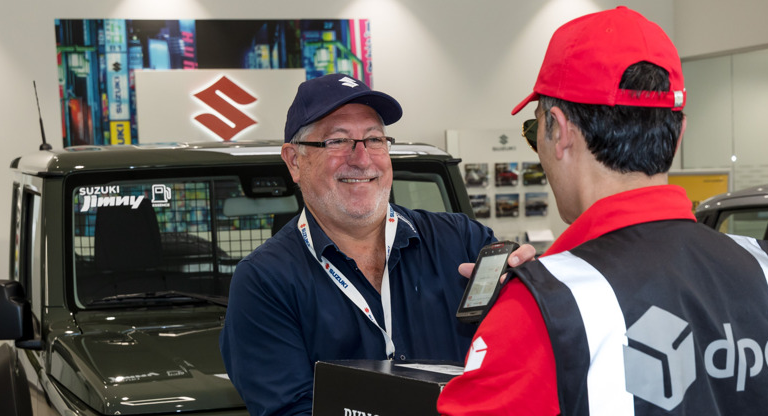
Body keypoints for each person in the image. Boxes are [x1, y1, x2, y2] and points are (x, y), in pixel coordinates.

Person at [437, 7, 768, 416]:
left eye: (535, 131)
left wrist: (512, 320)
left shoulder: (542, 310)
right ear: (679, 134)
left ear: (559, 131)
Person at [220, 73, 534, 416]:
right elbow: (291, 410)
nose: (362, 158)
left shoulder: (462, 240)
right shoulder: (266, 281)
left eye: (374, 139)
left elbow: (524, 365)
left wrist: (534, 291)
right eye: (338, 141)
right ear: (295, 161)